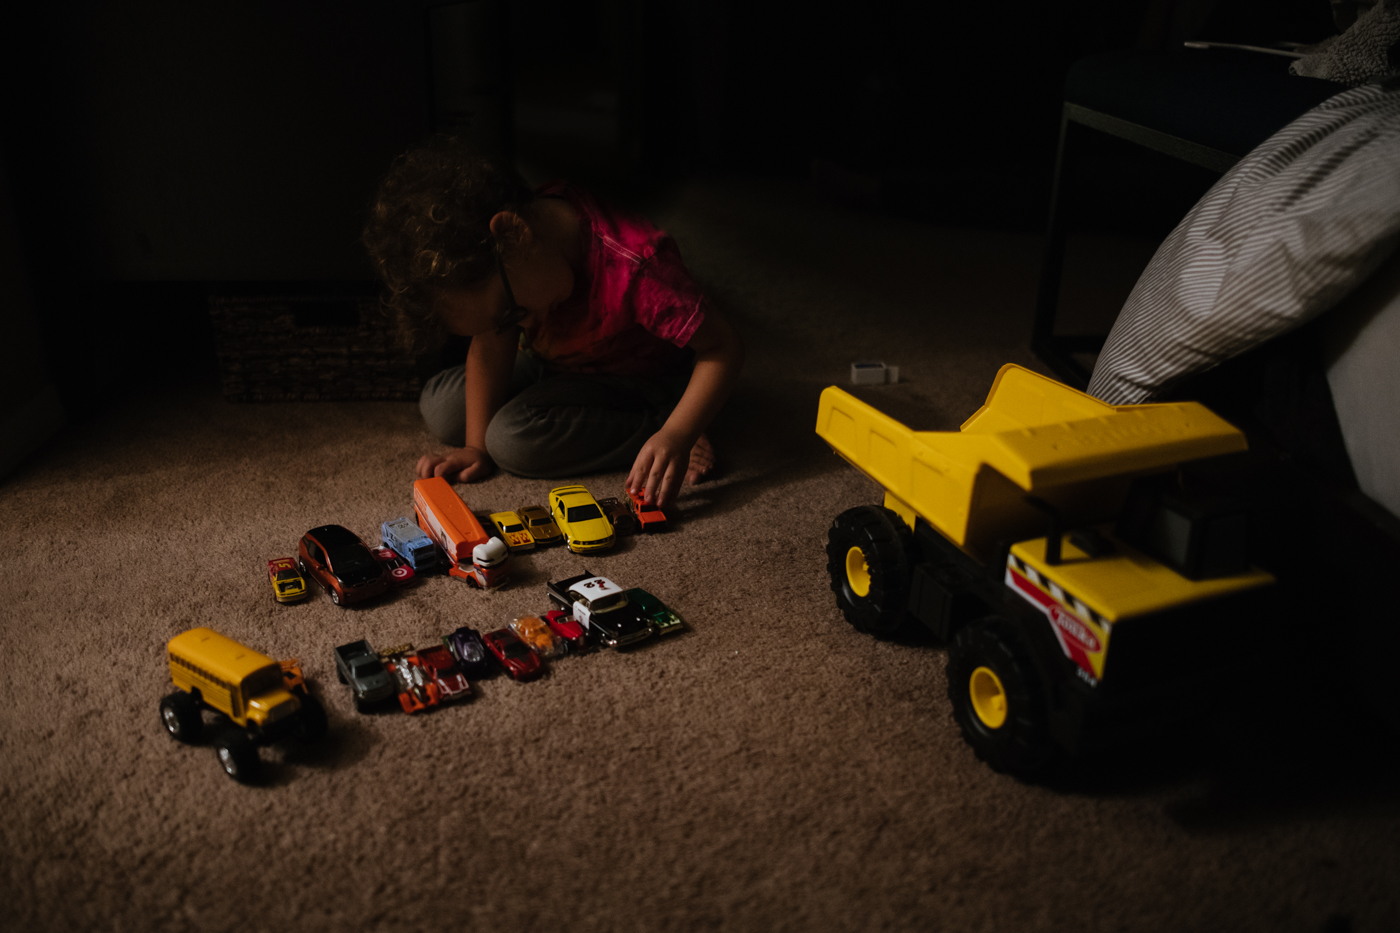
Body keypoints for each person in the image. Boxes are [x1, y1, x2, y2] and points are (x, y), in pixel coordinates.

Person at [362, 136, 743, 510]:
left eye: (511, 314)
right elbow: (491, 342)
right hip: (552, 362)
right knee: (441, 405)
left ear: (514, 235)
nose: (517, 326)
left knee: (512, 440)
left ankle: (656, 425)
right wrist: (475, 447)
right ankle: (514, 424)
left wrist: (676, 433)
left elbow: (724, 347)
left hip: (632, 381)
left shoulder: (638, 267)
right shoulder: (516, 258)